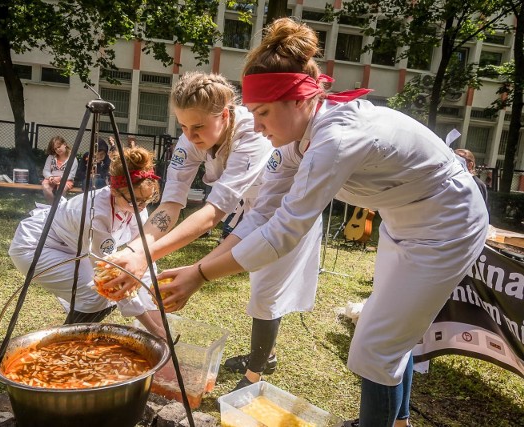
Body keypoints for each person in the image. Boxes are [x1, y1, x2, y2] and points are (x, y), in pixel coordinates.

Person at [151, 18, 488, 427]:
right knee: (390, 338)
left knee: (373, 347)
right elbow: (261, 214)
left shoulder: (335, 137)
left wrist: (202, 273)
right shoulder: (295, 141)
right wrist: (198, 269)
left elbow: (285, 231)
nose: (255, 126)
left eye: (262, 113)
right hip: (403, 222)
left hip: (448, 223)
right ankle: (398, 422)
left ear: (299, 101)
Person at [105, 71, 324, 391]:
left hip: (285, 209)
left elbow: (212, 214)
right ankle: (268, 354)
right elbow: (170, 205)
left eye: (197, 127)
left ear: (225, 115)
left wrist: (144, 256)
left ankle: (254, 376)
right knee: (259, 284)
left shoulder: (251, 134)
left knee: (265, 292)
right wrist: (134, 250)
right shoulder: (189, 139)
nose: (190, 135)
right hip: (251, 209)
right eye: (182, 126)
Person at [9, 146, 165, 337]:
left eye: (146, 201)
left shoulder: (136, 205)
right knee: (98, 294)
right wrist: (153, 328)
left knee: (103, 295)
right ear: (115, 191)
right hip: (38, 244)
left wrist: (153, 297)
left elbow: (142, 256)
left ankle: (76, 338)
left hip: (76, 246)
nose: (141, 207)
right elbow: (110, 277)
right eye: (135, 201)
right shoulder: (96, 214)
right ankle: (65, 342)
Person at [41, 136, 78, 203]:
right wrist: (51, 177)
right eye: (55, 149)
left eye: (59, 146)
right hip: (51, 179)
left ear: (65, 144)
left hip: (66, 180)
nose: (58, 150)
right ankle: (53, 207)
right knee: (45, 186)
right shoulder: (51, 157)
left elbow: (71, 175)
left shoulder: (73, 159)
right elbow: (45, 170)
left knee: (61, 189)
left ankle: (60, 207)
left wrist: (60, 178)